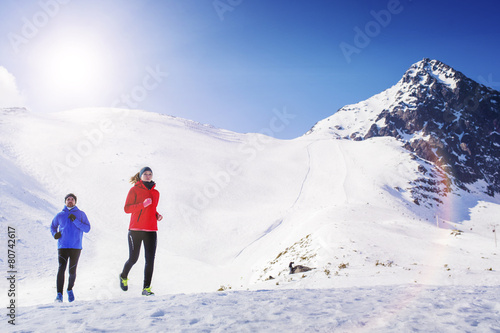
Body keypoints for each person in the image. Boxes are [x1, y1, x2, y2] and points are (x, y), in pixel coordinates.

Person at [119, 167, 163, 296]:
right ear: (140, 175)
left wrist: (157, 215)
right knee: (133, 258)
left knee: (150, 259)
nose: (148, 176)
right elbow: (127, 209)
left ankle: (146, 289)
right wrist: (142, 205)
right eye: (145, 174)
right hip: (135, 230)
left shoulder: (156, 193)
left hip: (151, 229)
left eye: (150, 174)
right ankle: (123, 275)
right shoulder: (134, 190)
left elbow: (152, 209)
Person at [50, 193, 91, 302]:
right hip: (63, 246)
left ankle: (69, 289)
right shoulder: (60, 215)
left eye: (72, 199)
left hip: (76, 247)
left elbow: (87, 228)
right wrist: (55, 234)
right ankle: (59, 295)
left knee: (72, 271)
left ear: (75, 202)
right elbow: (52, 226)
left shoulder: (81, 214)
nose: (70, 201)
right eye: (68, 199)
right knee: (61, 269)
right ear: (65, 202)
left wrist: (75, 220)